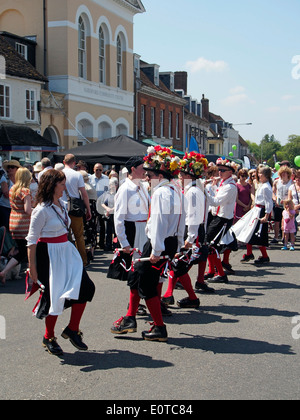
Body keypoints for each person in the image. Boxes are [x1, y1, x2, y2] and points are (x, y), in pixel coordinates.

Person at [111, 146, 185, 342]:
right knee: (137, 275)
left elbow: (159, 222)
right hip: (161, 242)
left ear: (159, 175)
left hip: (156, 243)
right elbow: (180, 222)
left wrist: (157, 250)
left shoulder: (161, 193)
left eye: (150, 174)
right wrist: (176, 246)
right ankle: (131, 318)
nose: (146, 177)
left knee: (146, 282)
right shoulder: (175, 189)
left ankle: (158, 327)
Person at [26, 170, 95, 356]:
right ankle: (48, 337)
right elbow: (31, 241)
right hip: (48, 254)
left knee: (86, 287)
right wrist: (32, 268)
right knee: (55, 296)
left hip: (66, 249)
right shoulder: (41, 210)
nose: (65, 187)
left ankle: (73, 329)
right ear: (52, 186)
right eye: (62, 184)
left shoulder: (62, 204)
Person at [162, 152, 212, 306]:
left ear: (189, 176)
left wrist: (190, 238)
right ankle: (176, 295)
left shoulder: (194, 192)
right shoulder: (195, 189)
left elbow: (194, 217)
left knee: (179, 263)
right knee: (179, 264)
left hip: (192, 231)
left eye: (182, 175)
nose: (180, 178)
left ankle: (184, 297)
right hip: (194, 230)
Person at [107, 156, 149, 280]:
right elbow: (119, 218)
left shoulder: (142, 186)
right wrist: (123, 241)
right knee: (136, 268)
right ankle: (135, 298)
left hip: (143, 229)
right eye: (142, 168)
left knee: (144, 267)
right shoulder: (125, 189)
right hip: (134, 230)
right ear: (133, 169)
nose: (145, 171)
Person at [204, 158, 238, 283]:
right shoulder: (223, 183)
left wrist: (205, 189)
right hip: (216, 217)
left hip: (222, 219)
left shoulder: (230, 187)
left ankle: (221, 273)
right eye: (219, 170)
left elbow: (215, 201)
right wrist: (212, 185)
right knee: (208, 244)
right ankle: (212, 271)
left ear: (230, 172)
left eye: (223, 170)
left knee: (211, 245)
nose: (219, 172)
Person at [233, 166, 273, 264]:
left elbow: (269, 202)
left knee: (256, 234)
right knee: (248, 231)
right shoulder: (263, 185)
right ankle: (249, 253)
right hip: (256, 210)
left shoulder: (266, 187)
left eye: (260, 174)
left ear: (265, 175)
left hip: (261, 211)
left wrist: (266, 216)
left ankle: (264, 256)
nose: (258, 175)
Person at [0, 167, 32, 285]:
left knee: (22, 250)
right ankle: (31, 276)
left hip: (13, 221)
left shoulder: (12, 188)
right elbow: (27, 210)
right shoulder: (25, 191)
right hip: (24, 223)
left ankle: (5, 271)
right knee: (29, 250)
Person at [63, 154, 91, 267]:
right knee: (79, 236)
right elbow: (84, 194)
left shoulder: (59, 174)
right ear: (74, 163)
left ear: (64, 162)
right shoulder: (77, 175)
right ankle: (82, 261)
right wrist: (88, 209)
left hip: (62, 208)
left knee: (65, 236)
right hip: (75, 208)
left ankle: (67, 260)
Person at [89, 163, 109, 249]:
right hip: (92, 203)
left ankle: (101, 243)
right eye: (96, 169)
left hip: (102, 203)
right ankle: (93, 242)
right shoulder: (90, 178)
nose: (98, 171)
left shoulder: (106, 178)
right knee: (92, 224)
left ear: (102, 170)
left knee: (102, 224)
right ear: (93, 170)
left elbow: (107, 191)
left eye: (100, 170)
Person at [272, 165, 293, 244]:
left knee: (286, 221)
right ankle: (276, 237)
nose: (283, 174)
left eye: (285, 173)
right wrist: (275, 199)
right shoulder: (276, 181)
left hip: (287, 205)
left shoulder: (291, 182)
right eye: (282, 173)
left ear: (288, 174)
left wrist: (287, 201)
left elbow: (292, 194)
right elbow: (273, 192)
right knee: (277, 221)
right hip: (278, 204)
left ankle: (286, 238)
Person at [98, 177, 118, 251]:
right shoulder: (106, 193)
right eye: (110, 185)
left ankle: (116, 245)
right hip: (108, 214)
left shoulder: (118, 193)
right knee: (108, 230)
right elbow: (102, 202)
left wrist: (112, 209)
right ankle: (108, 245)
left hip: (115, 214)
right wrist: (107, 209)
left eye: (112, 185)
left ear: (116, 185)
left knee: (116, 231)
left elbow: (120, 203)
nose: (110, 186)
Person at [0, 160, 21, 229]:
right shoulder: (4, 178)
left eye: (12, 167)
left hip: (16, 209)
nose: (10, 169)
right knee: (7, 227)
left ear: (17, 169)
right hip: (5, 208)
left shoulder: (20, 180)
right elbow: (6, 193)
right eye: (9, 167)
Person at [288, 169, 300, 234]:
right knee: (293, 224)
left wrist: (298, 206)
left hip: (298, 206)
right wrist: (293, 206)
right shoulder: (292, 187)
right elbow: (289, 198)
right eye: (297, 177)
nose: (298, 179)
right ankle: (293, 237)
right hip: (294, 207)